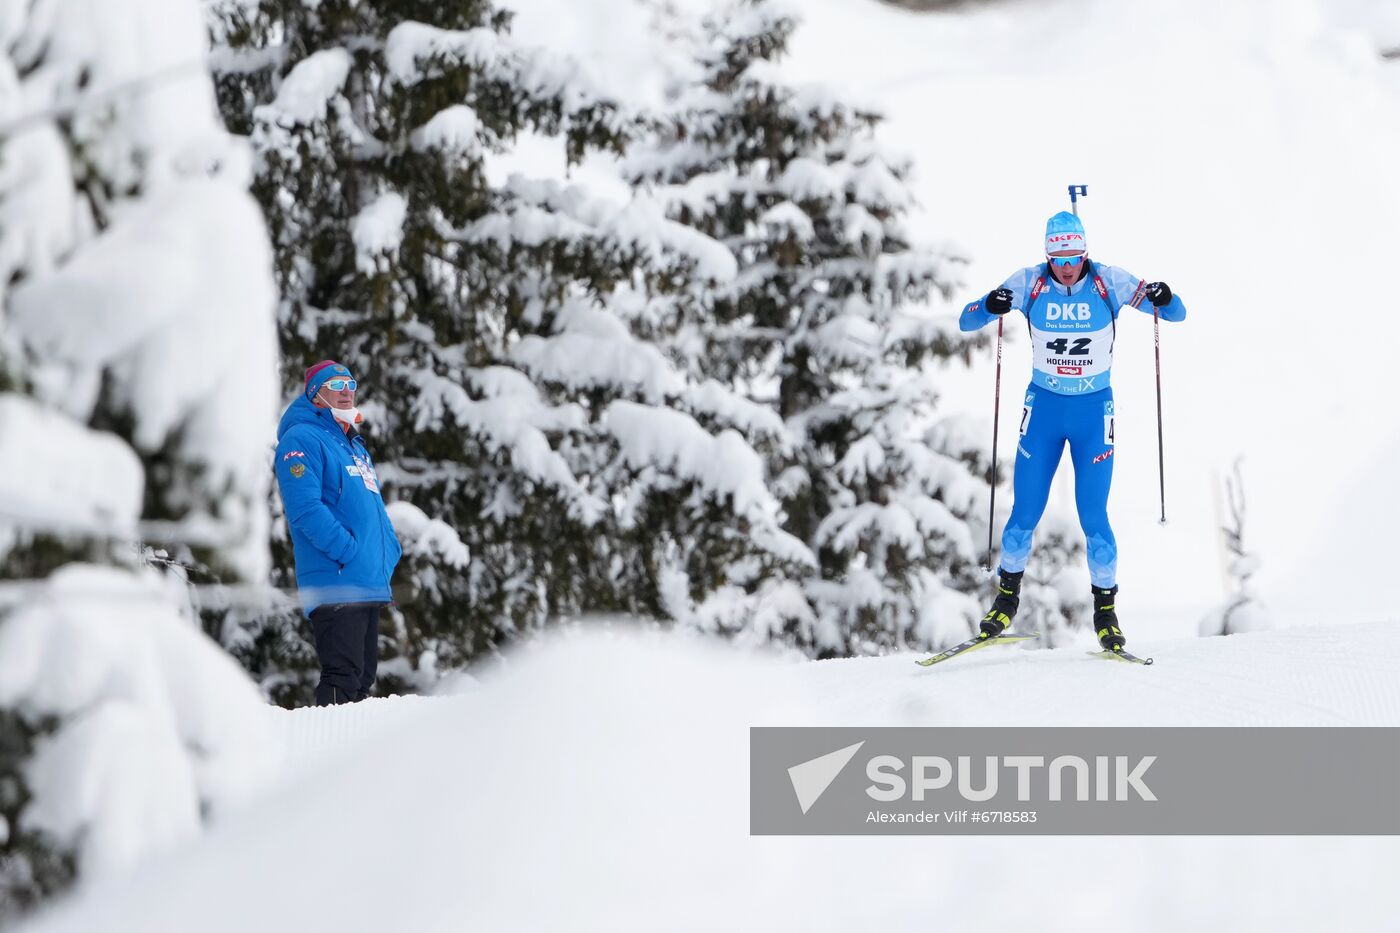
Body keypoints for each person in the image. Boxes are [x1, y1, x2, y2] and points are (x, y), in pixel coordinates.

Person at [959, 211, 1186, 651]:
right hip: (1044, 410)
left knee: (1093, 515)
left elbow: (1175, 313)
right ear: (1047, 255)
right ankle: (1005, 600)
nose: (1066, 267)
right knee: (1025, 511)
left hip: (1092, 414)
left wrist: (1166, 295)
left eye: (1074, 257)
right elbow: (967, 321)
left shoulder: (1109, 282)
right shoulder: (1030, 283)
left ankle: (1105, 612)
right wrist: (989, 304)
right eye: (1058, 258)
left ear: (1085, 252)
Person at [274, 360, 402, 704]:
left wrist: (390, 550)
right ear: (316, 394)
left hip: (366, 578)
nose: (346, 392)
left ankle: (353, 742)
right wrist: (347, 550)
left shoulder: (354, 446)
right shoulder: (301, 438)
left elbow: (372, 508)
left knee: (362, 679)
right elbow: (305, 509)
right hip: (337, 578)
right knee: (342, 677)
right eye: (335, 386)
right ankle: (326, 738)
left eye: (350, 385)